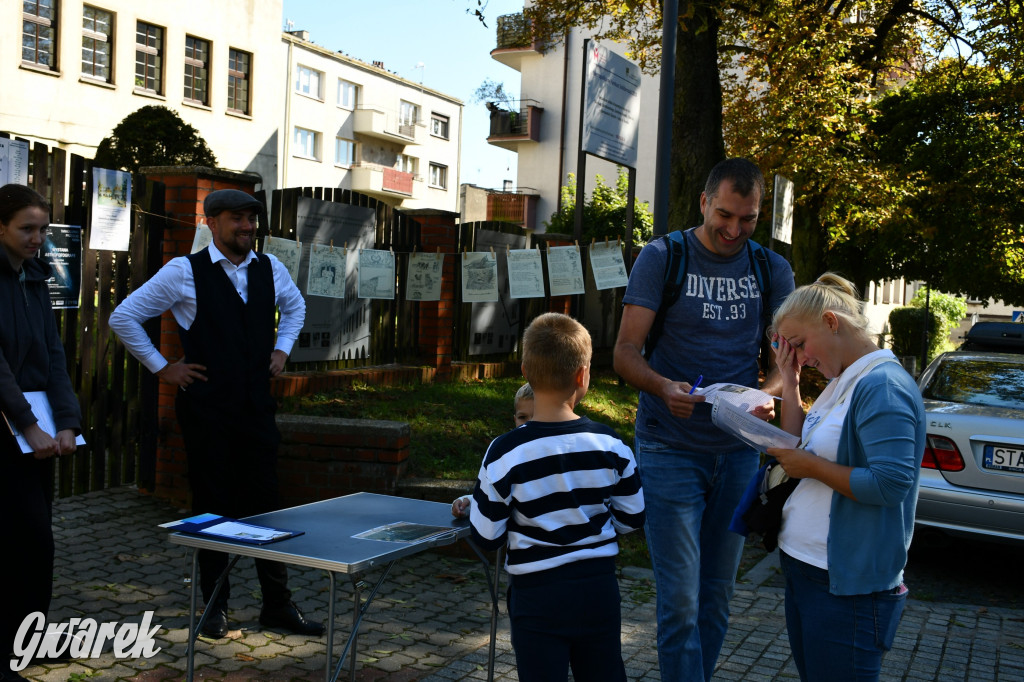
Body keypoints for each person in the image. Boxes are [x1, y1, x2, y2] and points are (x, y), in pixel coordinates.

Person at [109, 189, 322, 639]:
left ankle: (278, 606)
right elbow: (124, 317)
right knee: (212, 507)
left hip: (257, 410)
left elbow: (298, 306)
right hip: (207, 411)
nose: (247, 226)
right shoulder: (183, 272)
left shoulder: (270, 267)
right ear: (211, 223)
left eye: (251, 218)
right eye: (236, 219)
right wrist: (164, 368)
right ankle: (214, 607)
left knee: (267, 508)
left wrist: (282, 350)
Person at [613, 158, 796, 680]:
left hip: (738, 453)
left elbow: (788, 363)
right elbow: (625, 352)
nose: (734, 230)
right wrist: (660, 386)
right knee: (680, 601)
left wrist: (761, 398)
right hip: (668, 448)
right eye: (725, 215)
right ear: (702, 202)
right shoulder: (662, 257)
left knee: (716, 599)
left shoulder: (770, 269)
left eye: (748, 220)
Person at [766, 273, 924, 681]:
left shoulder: (882, 386)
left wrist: (810, 467)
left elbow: (890, 485)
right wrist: (791, 381)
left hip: (847, 586)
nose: (798, 356)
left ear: (832, 322)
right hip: (808, 569)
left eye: (799, 345)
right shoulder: (843, 380)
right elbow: (800, 442)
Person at [471, 313, 645, 680]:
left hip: (537, 596)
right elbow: (632, 518)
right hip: (598, 589)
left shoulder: (503, 453)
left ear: (525, 371)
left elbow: (487, 536)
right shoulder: (612, 445)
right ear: (583, 376)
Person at [0, 184, 82, 682]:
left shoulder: (34, 275)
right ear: (0, 228)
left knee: (37, 541)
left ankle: (28, 641)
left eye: (42, 229)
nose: (37, 239)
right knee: (10, 539)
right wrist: (27, 426)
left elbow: (52, 355)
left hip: (34, 434)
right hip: (9, 428)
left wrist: (67, 421)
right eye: (26, 229)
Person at [451, 382, 534, 518]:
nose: (528, 424)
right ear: (514, 419)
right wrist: (470, 502)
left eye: (535, 416)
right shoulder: (504, 455)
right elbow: (495, 497)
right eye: (522, 418)